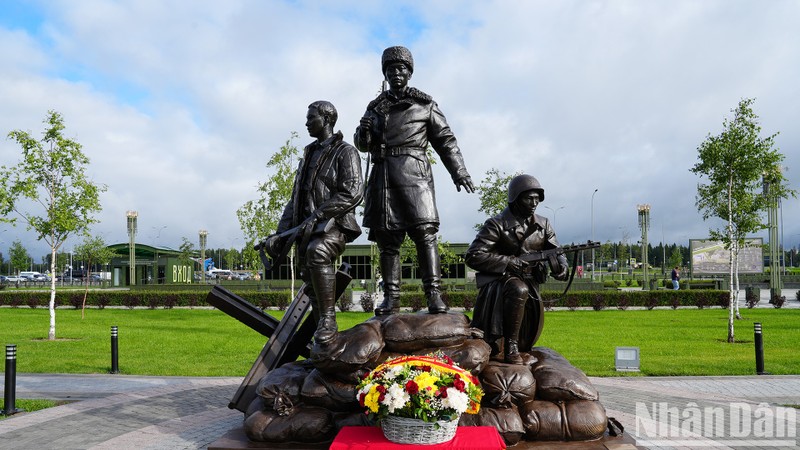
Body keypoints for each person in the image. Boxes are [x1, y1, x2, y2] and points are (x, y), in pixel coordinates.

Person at [354, 45, 474, 316]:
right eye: (391, 69)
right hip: (383, 177)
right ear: (385, 74)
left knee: (425, 235)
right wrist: (363, 133)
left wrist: (459, 172)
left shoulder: (425, 105)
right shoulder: (375, 108)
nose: (396, 73)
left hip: (415, 175)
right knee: (388, 241)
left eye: (401, 69)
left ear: (409, 73)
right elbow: (363, 145)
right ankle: (391, 298)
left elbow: (446, 141)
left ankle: (434, 294)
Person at [263, 100, 363, 343]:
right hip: (305, 231)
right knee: (311, 282)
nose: (307, 123)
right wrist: (280, 234)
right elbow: (294, 200)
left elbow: (353, 191)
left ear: (327, 120)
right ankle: (325, 342)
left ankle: (328, 319)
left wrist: (319, 214)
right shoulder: (307, 155)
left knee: (317, 252)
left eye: (311, 118)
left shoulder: (346, 152)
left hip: (333, 225)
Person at [465, 174, 569, 364]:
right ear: (515, 198)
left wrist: (561, 267)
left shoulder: (543, 224)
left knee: (524, 289)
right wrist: (507, 261)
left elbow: (556, 250)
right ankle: (511, 348)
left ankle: (521, 345)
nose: (534, 202)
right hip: (502, 282)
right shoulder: (497, 224)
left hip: (531, 280)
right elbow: (473, 255)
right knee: (519, 288)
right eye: (529, 198)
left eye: (537, 198)